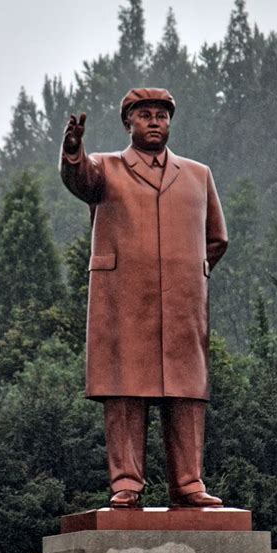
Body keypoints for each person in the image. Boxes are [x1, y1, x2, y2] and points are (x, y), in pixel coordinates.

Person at [60, 87, 228, 508]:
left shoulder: (197, 174)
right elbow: (79, 178)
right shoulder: (106, 168)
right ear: (128, 123)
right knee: (124, 392)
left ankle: (188, 482)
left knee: (186, 393)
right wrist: (73, 150)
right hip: (122, 301)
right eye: (144, 115)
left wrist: (186, 271)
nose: (154, 121)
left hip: (182, 303)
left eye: (162, 115)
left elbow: (216, 239)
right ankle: (127, 483)